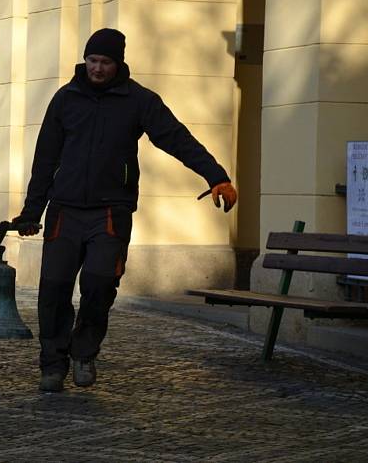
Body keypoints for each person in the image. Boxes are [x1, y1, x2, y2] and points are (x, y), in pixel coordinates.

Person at [12, 28, 237, 392]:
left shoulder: (138, 101)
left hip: (111, 212)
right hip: (65, 210)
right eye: (92, 61)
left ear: (118, 64)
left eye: (105, 62)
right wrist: (31, 211)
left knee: (100, 284)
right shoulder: (65, 99)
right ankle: (52, 364)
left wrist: (216, 176)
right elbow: (45, 158)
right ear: (84, 60)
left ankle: (84, 353)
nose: (97, 68)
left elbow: (176, 138)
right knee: (53, 287)